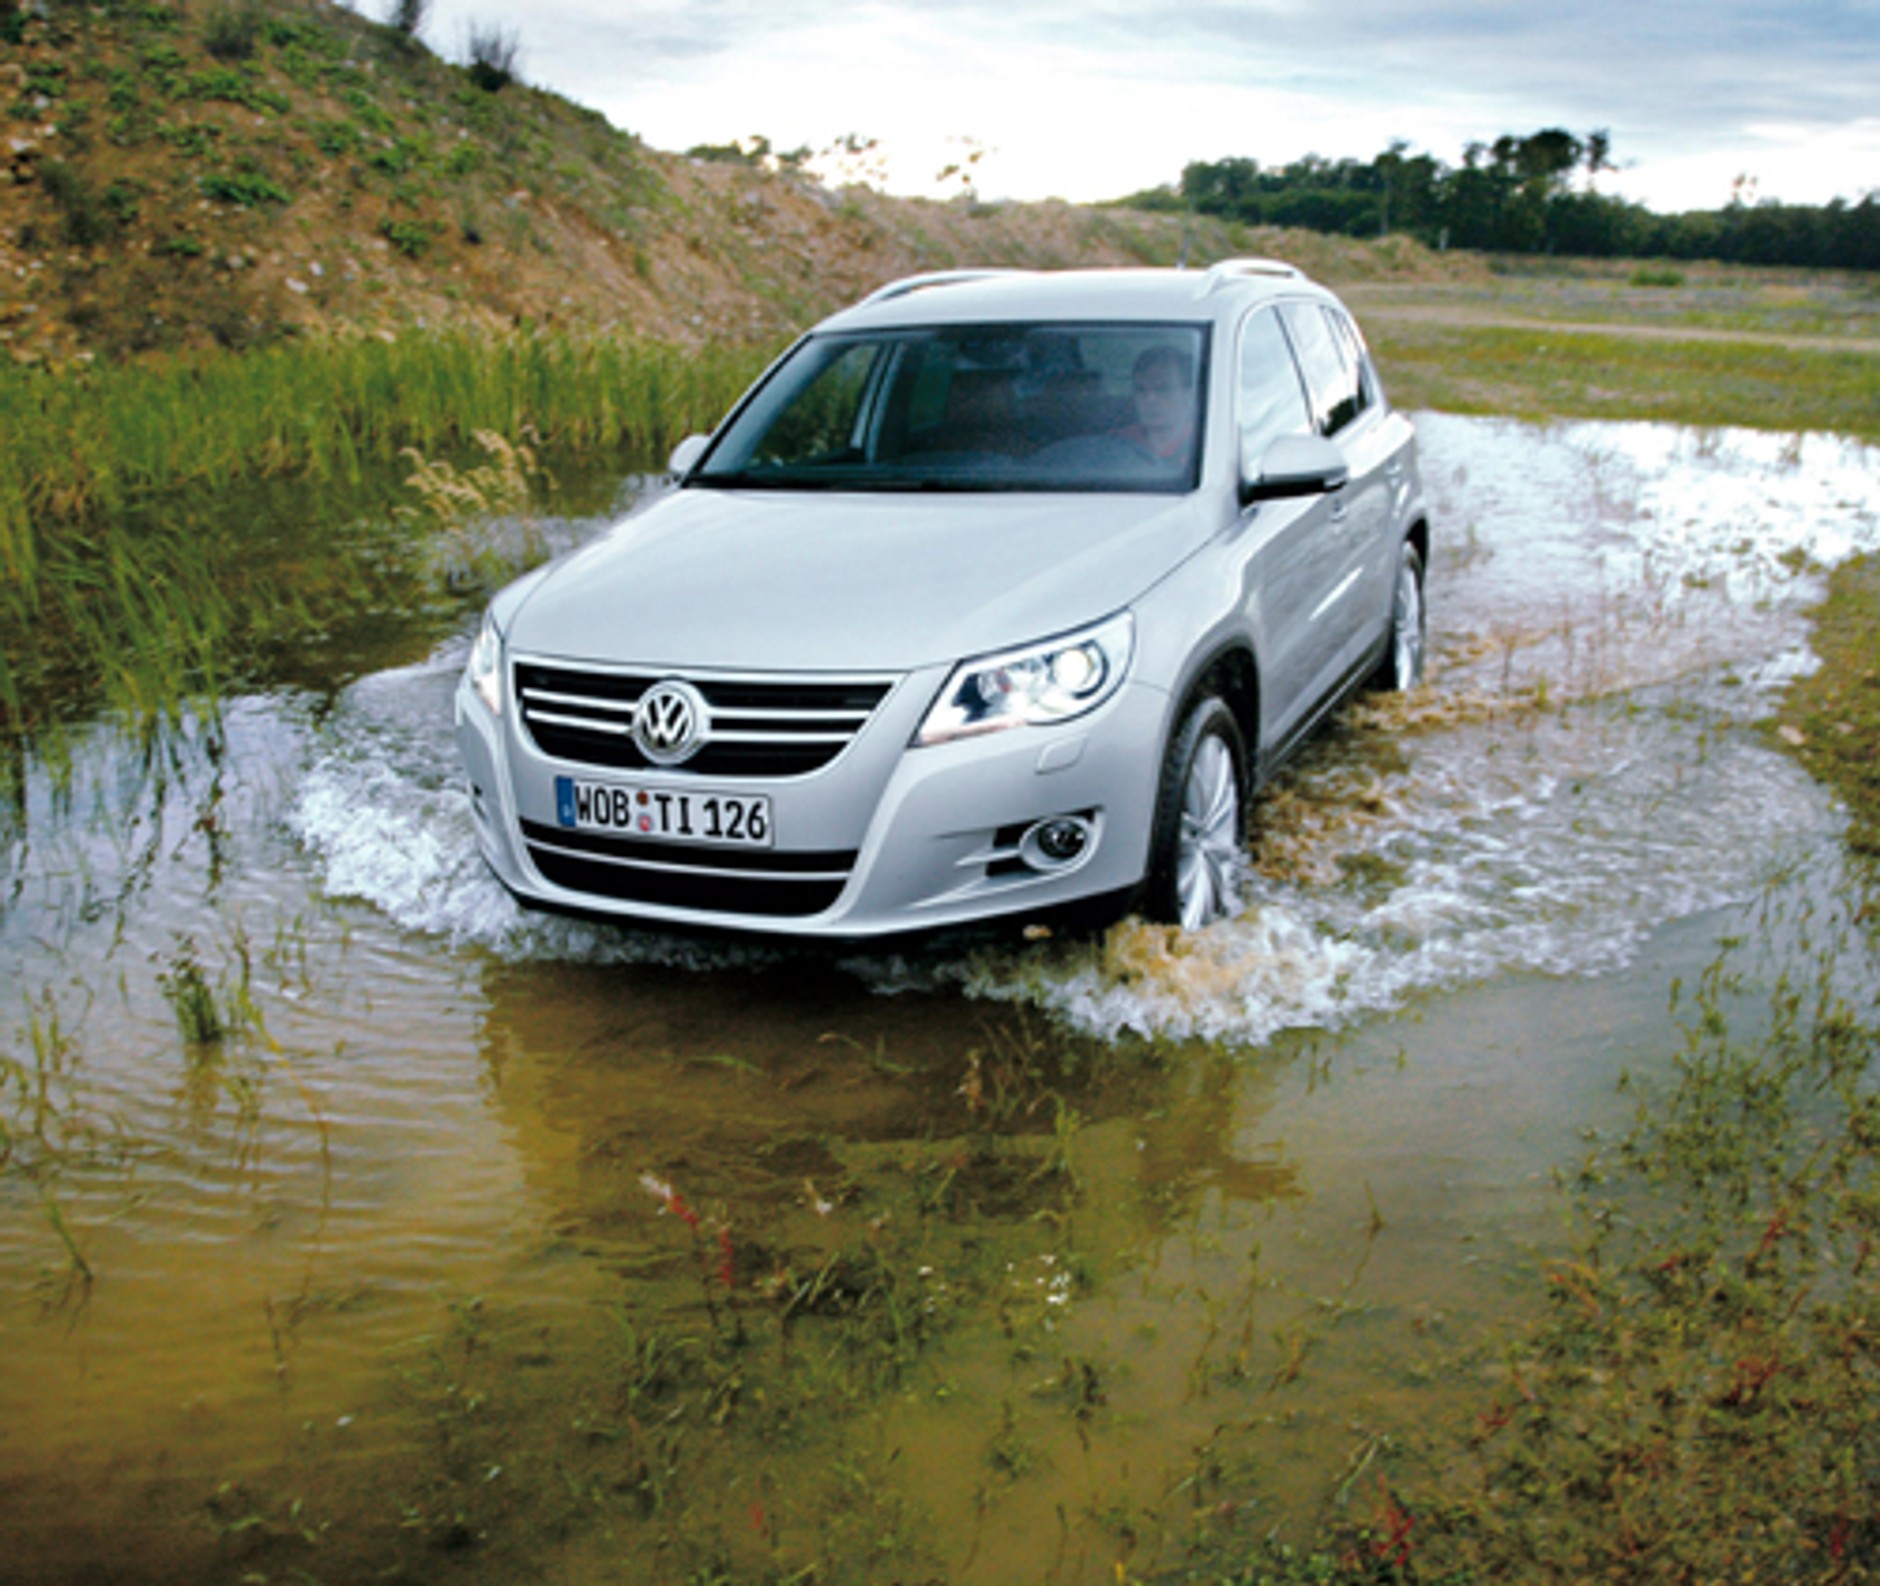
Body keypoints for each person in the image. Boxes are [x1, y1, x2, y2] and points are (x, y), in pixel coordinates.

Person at [1118, 344, 1197, 462]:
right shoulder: (1118, 441)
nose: (1150, 399)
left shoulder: (1206, 444)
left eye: (1163, 389)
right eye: (1141, 390)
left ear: (1188, 394)